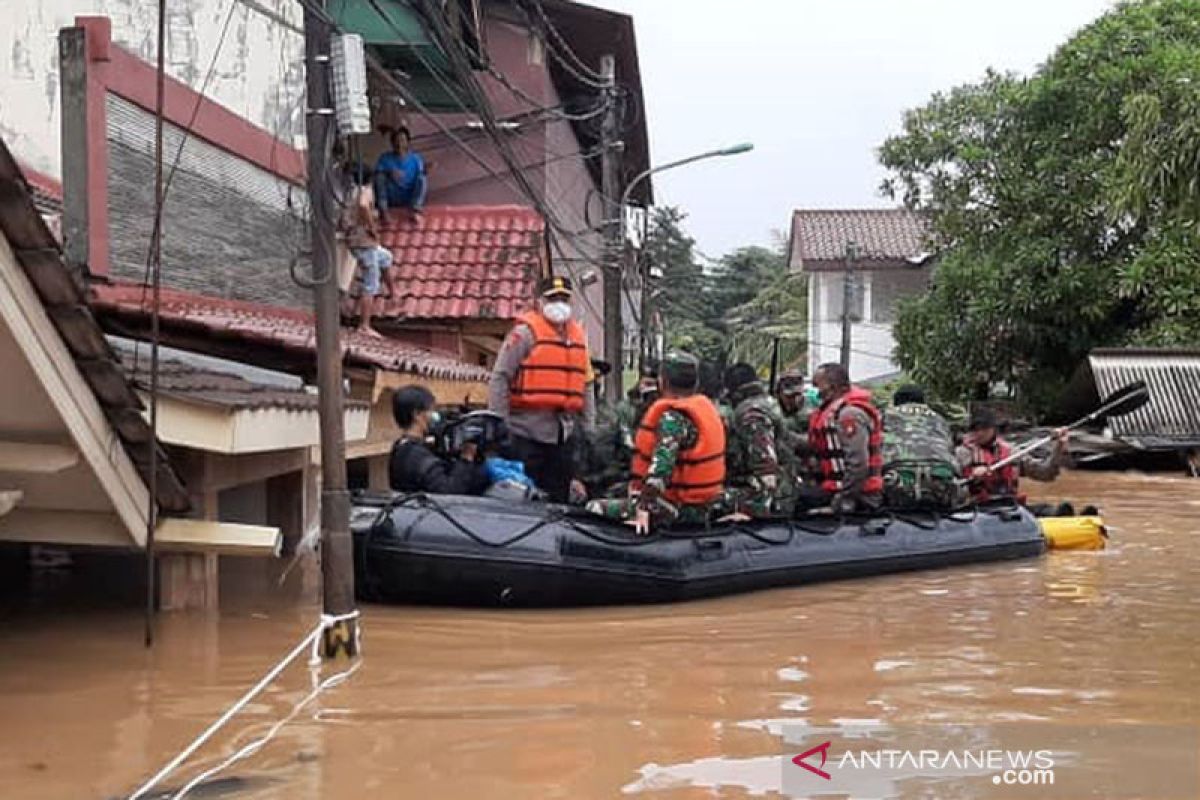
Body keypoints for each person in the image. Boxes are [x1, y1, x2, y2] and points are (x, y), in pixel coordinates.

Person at [587, 351, 726, 533]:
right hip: (705, 502)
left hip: (681, 508)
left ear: (662, 381)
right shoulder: (708, 411)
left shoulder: (672, 418)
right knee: (616, 491)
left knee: (594, 507)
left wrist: (644, 506)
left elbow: (661, 469)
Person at [489, 275, 595, 503]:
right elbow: (500, 377)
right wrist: (500, 425)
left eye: (564, 298)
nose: (559, 303)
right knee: (524, 499)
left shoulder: (579, 338)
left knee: (558, 500)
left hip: (562, 436)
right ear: (539, 302)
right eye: (553, 298)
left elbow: (586, 384)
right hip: (525, 433)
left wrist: (589, 428)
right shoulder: (524, 334)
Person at [804, 362, 884, 513]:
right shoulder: (833, 411)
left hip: (859, 495)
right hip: (838, 488)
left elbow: (858, 463)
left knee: (799, 502)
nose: (815, 392)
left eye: (817, 386)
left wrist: (843, 499)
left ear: (832, 387)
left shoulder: (849, 414)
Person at [723, 362, 796, 518]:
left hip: (765, 498)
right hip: (784, 488)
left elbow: (765, 467)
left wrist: (759, 507)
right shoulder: (768, 402)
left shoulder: (750, 412)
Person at [389, 385, 489, 495]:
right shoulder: (416, 455)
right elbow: (448, 491)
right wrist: (466, 457)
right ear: (417, 414)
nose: (435, 415)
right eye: (431, 410)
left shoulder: (400, 446)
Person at [956, 408, 1069, 504]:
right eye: (975, 429)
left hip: (1009, 509)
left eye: (984, 428)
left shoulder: (1011, 453)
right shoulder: (961, 454)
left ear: (994, 429)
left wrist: (1059, 447)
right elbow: (951, 491)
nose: (979, 433)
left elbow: (1046, 473)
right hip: (978, 512)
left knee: (1046, 509)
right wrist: (972, 477)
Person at [881, 384, 962, 509]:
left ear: (897, 401)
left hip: (898, 479)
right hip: (941, 480)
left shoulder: (885, 416)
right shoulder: (940, 419)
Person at [338, 183, 395, 337]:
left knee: (386, 257)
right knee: (371, 284)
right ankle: (364, 325)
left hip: (362, 243)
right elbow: (363, 206)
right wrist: (372, 228)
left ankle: (393, 294)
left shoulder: (349, 190)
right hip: (363, 244)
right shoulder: (365, 190)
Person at [373, 126, 427, 219]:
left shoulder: (416, 159)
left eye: (402, 140)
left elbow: (421, 177)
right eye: (396, 141)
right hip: (391, 197)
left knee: (422, 178)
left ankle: (416, 210)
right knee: (379, 177)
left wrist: (427, 170)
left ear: (407, 142)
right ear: (392, 143)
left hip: (408, 197)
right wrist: (389, 173)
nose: (399, 144)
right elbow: (375, 175)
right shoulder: (385, 158)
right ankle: (384, 211)